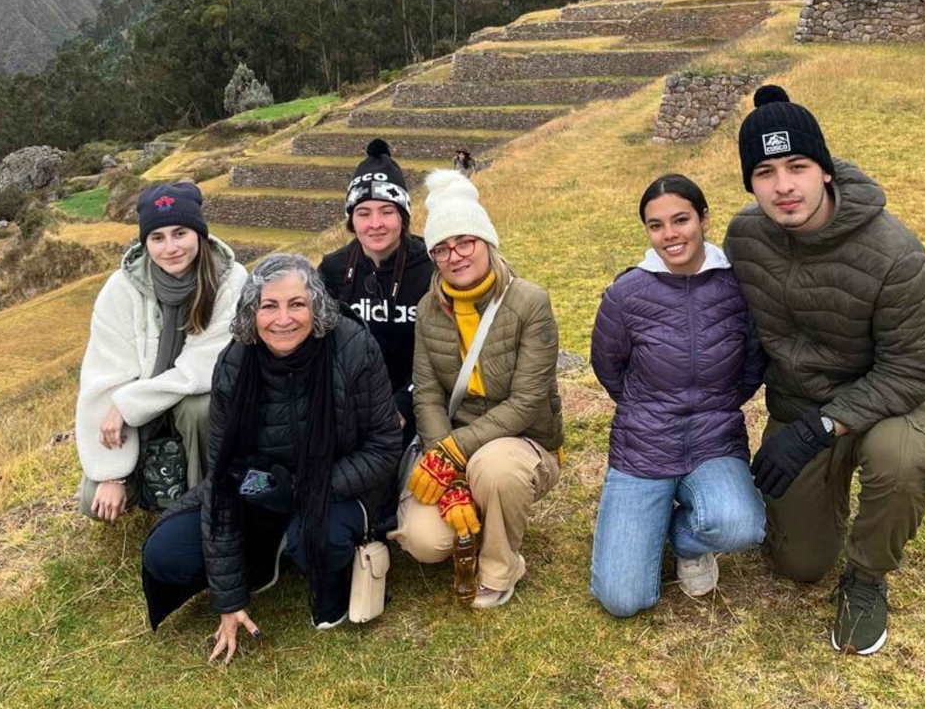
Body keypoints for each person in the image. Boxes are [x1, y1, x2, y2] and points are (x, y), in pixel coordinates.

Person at [724, 85, 925, 656]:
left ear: (825, 170)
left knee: (900, 463)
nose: (783, 186)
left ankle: (867, 578)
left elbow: (915, 367)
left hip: (888, 405)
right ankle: (820, 510)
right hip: (799, 404)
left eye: (798, 166)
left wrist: (821, 429)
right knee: (799, 565)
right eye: (765, 172)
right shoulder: (745, 238)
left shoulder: (895, 252)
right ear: (750, 184)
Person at [140, 254, 402, 654]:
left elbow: (384, 445)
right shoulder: (234, 364)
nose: (283, 319)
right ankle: (265, 554)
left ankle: (320, 560)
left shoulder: (353, 348)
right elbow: (225, 476)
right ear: (252, 312)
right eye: (269, 306)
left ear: (317, 306)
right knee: (167, 553)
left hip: (336, 484)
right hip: (262, 486)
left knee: (318, 538)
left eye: (297, 304)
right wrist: (229, 599)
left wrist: (306, 487)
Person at [588, 174, 768, 618]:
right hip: (643, 447)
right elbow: (609, 367)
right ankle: (644, 523)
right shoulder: (625, 294)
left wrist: (716, 407)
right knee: (622, 600)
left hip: (713, 442)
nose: (670, 234)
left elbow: (751, 367)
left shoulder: (738, 288)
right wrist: (646, 410)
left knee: (742, 527)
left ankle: (686, 541)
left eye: (681, 220)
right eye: (656, 225)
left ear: (704, 219)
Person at [390, 170, 565, 609]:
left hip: (521, 441)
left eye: (465, 242)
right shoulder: (428, 310)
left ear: (486, 241)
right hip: (454, 445)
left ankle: (500, 566)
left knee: (496, 469)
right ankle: (482, 511)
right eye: (442, 248)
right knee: (424, 541)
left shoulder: (529, 302)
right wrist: (448, 475)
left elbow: (527, 401)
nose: (455, 256)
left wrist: (453, 452)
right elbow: (427, 394)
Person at [74, 182, 247, 522]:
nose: (170, 248)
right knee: (92, 502)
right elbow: (103, 376)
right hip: (144, 420)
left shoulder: (230, 280)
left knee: (199, 407)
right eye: (158, 238)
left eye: (180, 233)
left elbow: (203, 367)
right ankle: (151, 483)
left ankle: (205, 500)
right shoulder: (120, 290)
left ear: (199, 234)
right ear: (146, 243)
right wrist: (111, 474)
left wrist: (128, 405)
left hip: (196, 414)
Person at [318, 139, 433, 449]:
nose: (376, 224)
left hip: (418, 403)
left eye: (387, 211)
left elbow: (446, 354)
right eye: (364, 213)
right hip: (349, 406)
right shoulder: (333, 269)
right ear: (351, 220)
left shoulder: (431, 267)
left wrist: (403, 405)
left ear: (403, 216)